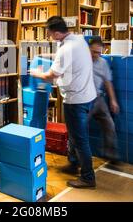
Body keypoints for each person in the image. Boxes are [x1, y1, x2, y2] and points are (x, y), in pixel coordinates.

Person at [31, 16, 97, 189]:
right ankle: (73, 163)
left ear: (58, 33)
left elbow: (51, 75)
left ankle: (88, 177)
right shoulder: (79, 39)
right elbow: (65, 56)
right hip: (88, 95)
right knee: (76, 134)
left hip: (76, 100)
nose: (49, 36)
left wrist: (36, 73)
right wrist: (46, 55)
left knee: (80, 138)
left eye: (50, 34)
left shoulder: (65, 49)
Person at [86, 36, 120, 161]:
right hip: (85, 101)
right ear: (88, 49)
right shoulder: (82, 61)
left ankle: (110, 154)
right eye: (94, 52)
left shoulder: (103, 62)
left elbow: (107, 82)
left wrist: (113, 100)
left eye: (99, 53)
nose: (96, 55)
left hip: (99, 99)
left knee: (109, 125)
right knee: (79, 129)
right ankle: (73, 160)